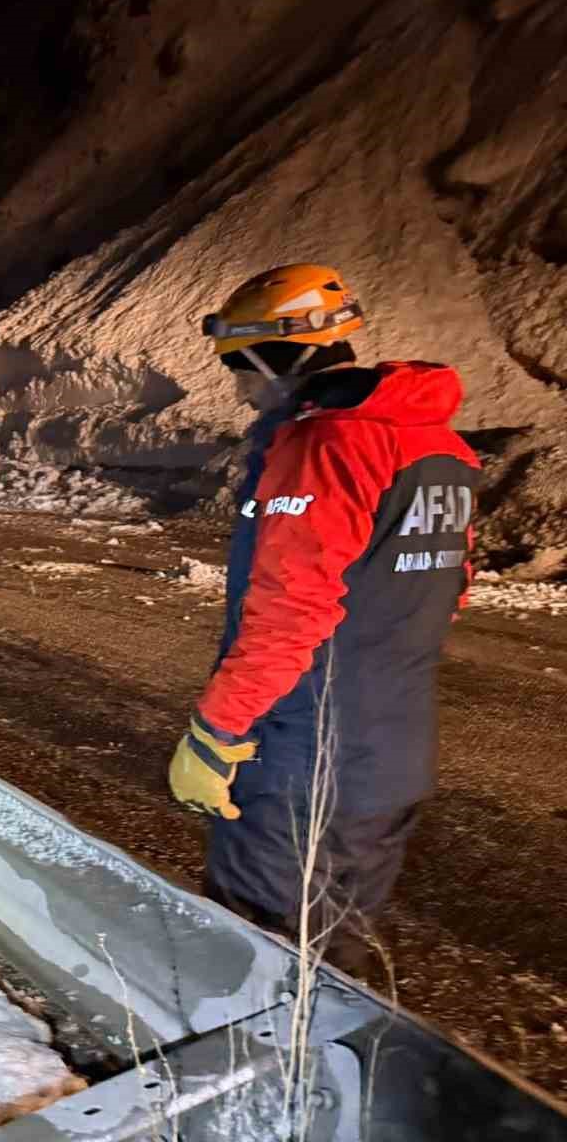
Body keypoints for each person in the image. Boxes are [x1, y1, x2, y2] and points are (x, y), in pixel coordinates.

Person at [168, 264, 479, 978]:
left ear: (275, 354)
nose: (239, 388)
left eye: (238, 367)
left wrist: (217, 731)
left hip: (301, 762)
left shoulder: (324, 446)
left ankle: (265, 1085)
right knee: (335, 956)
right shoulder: (443, 451)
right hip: (391, 758)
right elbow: (446, 591)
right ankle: (330, 1082)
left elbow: (292, 613)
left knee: (255, 956)